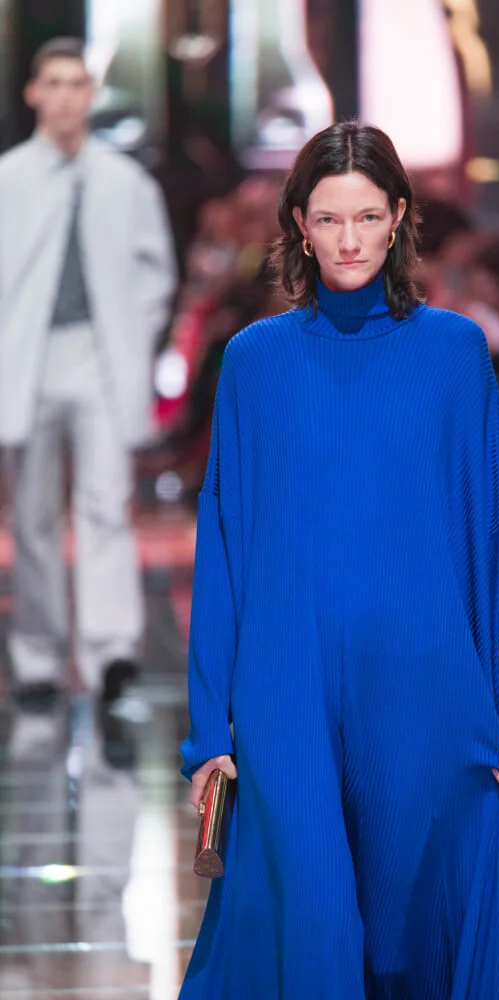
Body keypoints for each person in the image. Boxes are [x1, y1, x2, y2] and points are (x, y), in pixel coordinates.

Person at [179, 121, 499, 999]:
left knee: (408, 932)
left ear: (399, 219)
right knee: (310, 920)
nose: (348, 240)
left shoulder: (453, 352)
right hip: (286, 679)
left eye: (367, 217)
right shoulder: (255, 361)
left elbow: (487, 526)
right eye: (328, 218)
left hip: (423, 676)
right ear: (298, 226)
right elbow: (224, 544)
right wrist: (206, 728)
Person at [0, 39, 176, 708]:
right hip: (27, 360)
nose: (66, 96)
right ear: (33, 93)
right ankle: (38, 656)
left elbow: (155, 270)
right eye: (54, 83)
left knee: (106, 504)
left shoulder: (126, 182)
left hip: (101, 359)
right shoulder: (8, 179)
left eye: (77, 83)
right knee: (33, 514)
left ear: (91, 94)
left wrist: (132, 334)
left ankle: (110, 653)